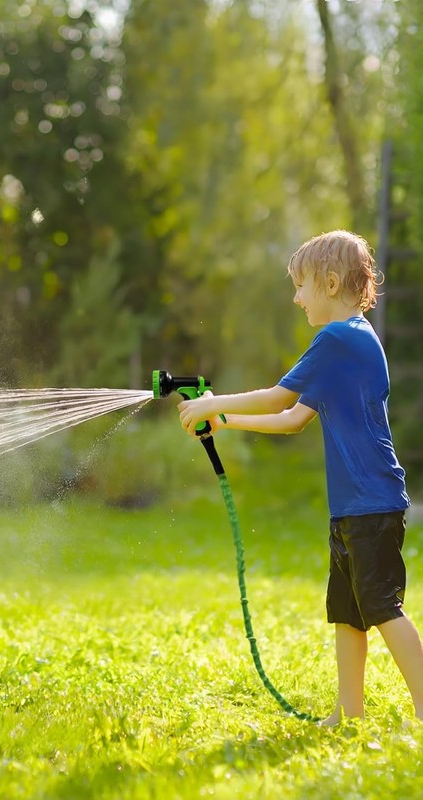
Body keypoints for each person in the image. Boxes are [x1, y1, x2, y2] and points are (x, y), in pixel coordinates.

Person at [177, 230, 423, 725]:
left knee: (380, 605)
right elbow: (293, 419)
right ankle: (348, 714)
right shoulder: (351, 342)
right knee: (349, 611)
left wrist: (211, 403)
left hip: (372, 501)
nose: (295, 297)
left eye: (301, 286)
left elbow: (277, 398)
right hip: (356, 504)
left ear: (330, 283)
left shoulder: (338, 338)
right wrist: (226, 422)